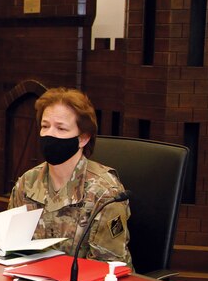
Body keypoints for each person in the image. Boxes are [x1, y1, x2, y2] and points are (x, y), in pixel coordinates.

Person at [8, 87, 132, 267]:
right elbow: (10, 245)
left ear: (83, 139)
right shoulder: (27, 182)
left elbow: (108, 267)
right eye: (45, 126)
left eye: (61, 128)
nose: (50, 134)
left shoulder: (105, 192)